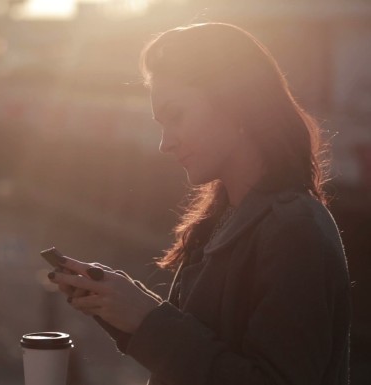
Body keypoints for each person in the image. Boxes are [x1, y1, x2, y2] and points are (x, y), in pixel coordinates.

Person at [48, 22, 351, 385]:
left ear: (237, 106)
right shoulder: (224, 217)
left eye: (176, 116)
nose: (165, 144)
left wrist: (147, 318)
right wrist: (119, 305)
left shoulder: (294, 229)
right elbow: (202, 351)